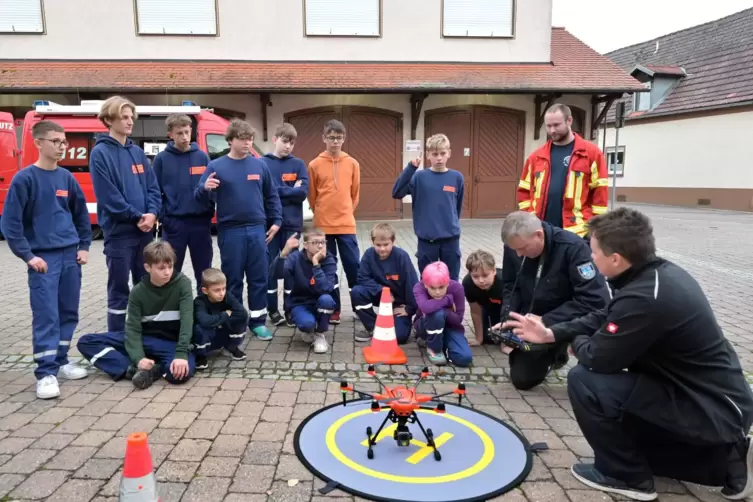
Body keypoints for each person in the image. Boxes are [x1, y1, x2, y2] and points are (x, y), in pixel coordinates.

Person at [505, 207, 753, 501]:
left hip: (707, 407)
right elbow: (604, 315)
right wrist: (552, 333)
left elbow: (597, 357)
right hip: (707, 400)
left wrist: (577, 339)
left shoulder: (645, 297)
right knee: (638, 434)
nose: (591, 257)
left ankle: (627, 477)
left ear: (615, 258)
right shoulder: (654, 276)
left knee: (586, 381)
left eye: (594, 252)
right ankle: (731, 463)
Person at [1, 120, 92, 399]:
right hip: (43, 259)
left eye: (64, 141)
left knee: (68, 312)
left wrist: (84, 246)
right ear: (38, 143)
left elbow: (80, 216)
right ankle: (45, 373)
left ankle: (62, 361)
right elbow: (10, 224)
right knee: (46, 316)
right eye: (56, 141)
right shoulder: (24, 179)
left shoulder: (66, 178)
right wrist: (28, 256)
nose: (62, 146)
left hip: (70, 257)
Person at [495, 211, 609, 390]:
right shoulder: (514, 245)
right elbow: (511, 285)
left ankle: (566, 344)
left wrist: (547, 320)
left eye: (523, 248)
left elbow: (595, 300)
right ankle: (555, 354)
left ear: (539, 235)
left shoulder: (573, 248)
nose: (518, 254)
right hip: (532, 317)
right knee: (522, 379)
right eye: (514, 249)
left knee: (589, 377)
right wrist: (509, 318)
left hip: (567, 318)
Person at [196, 119, 282, 341]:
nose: (247, 143)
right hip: (230, 230)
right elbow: (199, 195)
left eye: (250, 139)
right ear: (231, 140)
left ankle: (258, 321)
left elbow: (271, 195)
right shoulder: (216, 166)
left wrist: (276, 221)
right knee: (233, 279)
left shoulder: (259, 165)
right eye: (243, 139)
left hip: (257, 229)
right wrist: (205, 188)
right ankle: (237, 320)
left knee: (259, 277)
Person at [77, 241, 196, 390]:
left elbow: (187, 320)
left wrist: (181, 354)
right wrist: (138, 358)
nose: (167, 272)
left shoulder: (183, 284)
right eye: (161, 268)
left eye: (170, 267)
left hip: (170, 344)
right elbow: (133, 328)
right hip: (144, 340)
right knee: (86, 342)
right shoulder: (138, 292)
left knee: (180, 374)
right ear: (147, 267)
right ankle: (132, 369)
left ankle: (153, 369)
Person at [89, 96, 161, 332]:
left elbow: (153, 187)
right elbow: (109, 196)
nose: (130, 122)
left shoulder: (137, 152)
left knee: (146, 285)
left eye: (132, 117)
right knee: (119, 289)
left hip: (145, 234)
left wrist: (152, 213)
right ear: (109, 120)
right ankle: (117, 339)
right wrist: (136, 217)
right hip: (120, 234)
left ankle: (146, 336)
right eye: (124, 117)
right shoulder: (100, 153)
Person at [517, 103, 609, 239]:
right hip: (542, 231)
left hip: (578, 232)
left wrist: (595, 229)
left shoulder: (591, 154)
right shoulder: (536, 157)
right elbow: (524, 191)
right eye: (548, 126)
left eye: (556, 125)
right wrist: (529, 219)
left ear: (569, 121)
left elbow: (600, 195)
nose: (552, 130)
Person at [307, 119, 361, 324]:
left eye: (339, 138)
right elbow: (312, 196)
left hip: (346, 224)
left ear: (344, 139)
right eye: (331, 137)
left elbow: (355, 194)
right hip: (323, 225)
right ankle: (334, 308)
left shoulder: (353, 163)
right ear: (324, 138)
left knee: (353, 266)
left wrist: (346, 211)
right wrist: (321, 211)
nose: (335, 141)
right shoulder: (314, 164)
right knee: (329, 267)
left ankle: (359, 307)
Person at [152, 113, 214, 292]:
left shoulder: (202, 157)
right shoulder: (162, 159)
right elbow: (155, 191)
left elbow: (209, 188)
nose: (185, 137)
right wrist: (165, 218)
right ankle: (172, 312)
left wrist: (208, 213)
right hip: (174, 225)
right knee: (170, 271)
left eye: (187, 132)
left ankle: (204, 312)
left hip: (200, 224)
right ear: (170, 134)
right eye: (180, 133)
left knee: (204, 272)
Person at [392, 133, 464, 280]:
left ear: (449, 153)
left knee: (451, 280)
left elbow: (457, 207)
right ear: (427, 155)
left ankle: (450, 304)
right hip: (427, 240)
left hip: (450, 240)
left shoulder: (457, 177)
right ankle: (427, 304)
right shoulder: (419, 177)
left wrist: (451, 224)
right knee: (427, 280)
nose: (439, 158)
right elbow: (397, 192)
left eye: (442, 153)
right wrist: (411, 168)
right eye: (435, 154)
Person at [262, 123, 309, 327]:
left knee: (291, 269)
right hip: (270, 225)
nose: (288, 146)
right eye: (284, 141)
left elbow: (302, 193)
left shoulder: (298, 164)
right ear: (275, 140)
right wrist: (289, 189)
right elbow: (264, 194)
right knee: (271, 268)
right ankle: (272, 310)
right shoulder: (262, 163)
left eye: (291, 142)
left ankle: (290, 309)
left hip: (292, 225)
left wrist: (278, 190)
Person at [269, 227, 337, 354]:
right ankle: (308, 328)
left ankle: (320, 335)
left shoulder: (329, 259)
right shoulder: (295, 258)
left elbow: (325, 288)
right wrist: (284, 253)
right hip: (300, 303)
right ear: (305, 245)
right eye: (316, 242)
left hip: (320, 301)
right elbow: (276, 275)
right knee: (307, 324)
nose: (320, 246)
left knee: (327, 300)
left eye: (323, 242)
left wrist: (316, 264)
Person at [351, 223, 419, 343]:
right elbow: (362, 278)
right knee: (357, 291)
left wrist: (409, 309)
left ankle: (400, 323)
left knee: (399, 337)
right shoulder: (369, 255)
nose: (382, 249)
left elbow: (412, 283)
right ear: (372, 242)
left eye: (386, 245)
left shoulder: (402, 257)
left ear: (393, 241)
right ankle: (372, 327)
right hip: (379, 295)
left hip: (398, 302)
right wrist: (381, 290)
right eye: (378, 245)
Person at [413, 261, 472, 367]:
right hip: (424, 324)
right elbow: (425, 307)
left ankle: (441, 342)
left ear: (448, 283)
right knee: (436, 313)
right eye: (433, 288)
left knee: (464, 358)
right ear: (426, 285)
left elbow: (458, 320)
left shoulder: (457, 288)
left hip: (450, 326)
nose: (437, 292)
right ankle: (434, 349)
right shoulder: (419, 287)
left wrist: (445, 312)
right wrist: (447, 300)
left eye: (441, 287)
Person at [193, 268, 249, 369]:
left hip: (220, 330)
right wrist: (225, 315)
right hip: (208, 333)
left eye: (223, 288)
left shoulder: (227, 296)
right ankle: (200, 355)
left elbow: (242, 314)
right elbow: (204, 321)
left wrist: (217, 321)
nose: (221, 293)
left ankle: (231, 346)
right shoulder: (199, 302)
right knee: (199, 329)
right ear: (205, 291)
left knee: (241, 321)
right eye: (217, 290)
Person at [462, 250, 504, 347]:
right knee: (488, 338)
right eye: (475, 276)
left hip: (506, 310)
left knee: (502, 339)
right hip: (487, 307)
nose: (481, 281)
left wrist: (506, 342)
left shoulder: (504, 282)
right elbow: (476, 312)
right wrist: (478, 339)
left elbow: (513, 310)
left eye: (485, 275)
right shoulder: (468, 284)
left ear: (494, 271)